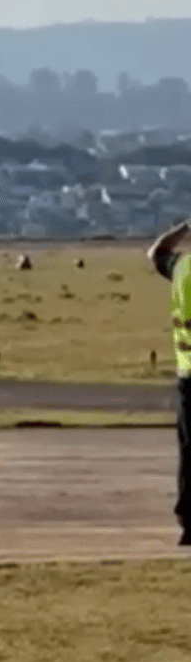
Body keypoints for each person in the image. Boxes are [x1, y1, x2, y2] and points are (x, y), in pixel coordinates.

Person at [146, 218, 191, 546]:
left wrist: (184, 227)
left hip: (188, 375)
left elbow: (156, 252)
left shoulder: (181, 268)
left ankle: (189, 522)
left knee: (189, 452)